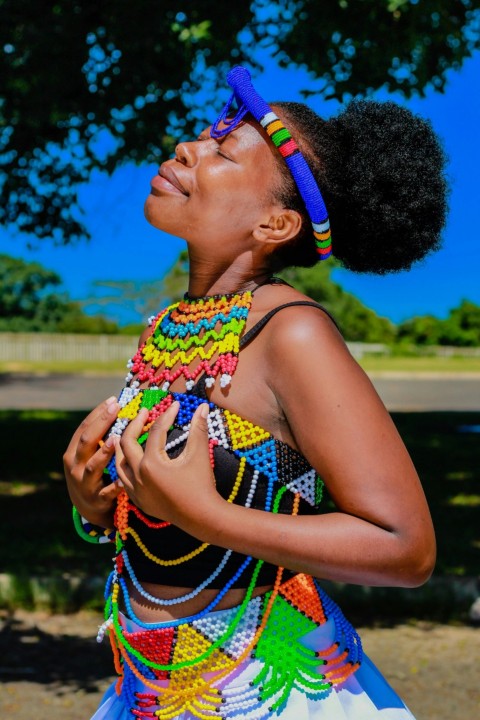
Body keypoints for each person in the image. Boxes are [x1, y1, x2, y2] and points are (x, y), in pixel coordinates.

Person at [63, 65, 447, 719]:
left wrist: (207, 517)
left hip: (269, 687)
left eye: (223, 152)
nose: (187, 148)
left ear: (275, 225)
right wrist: (94, 509)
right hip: (148, 687)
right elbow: (159, 516)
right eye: (204, 137)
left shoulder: (290, 333)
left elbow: (406, 547)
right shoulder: (164, 330)